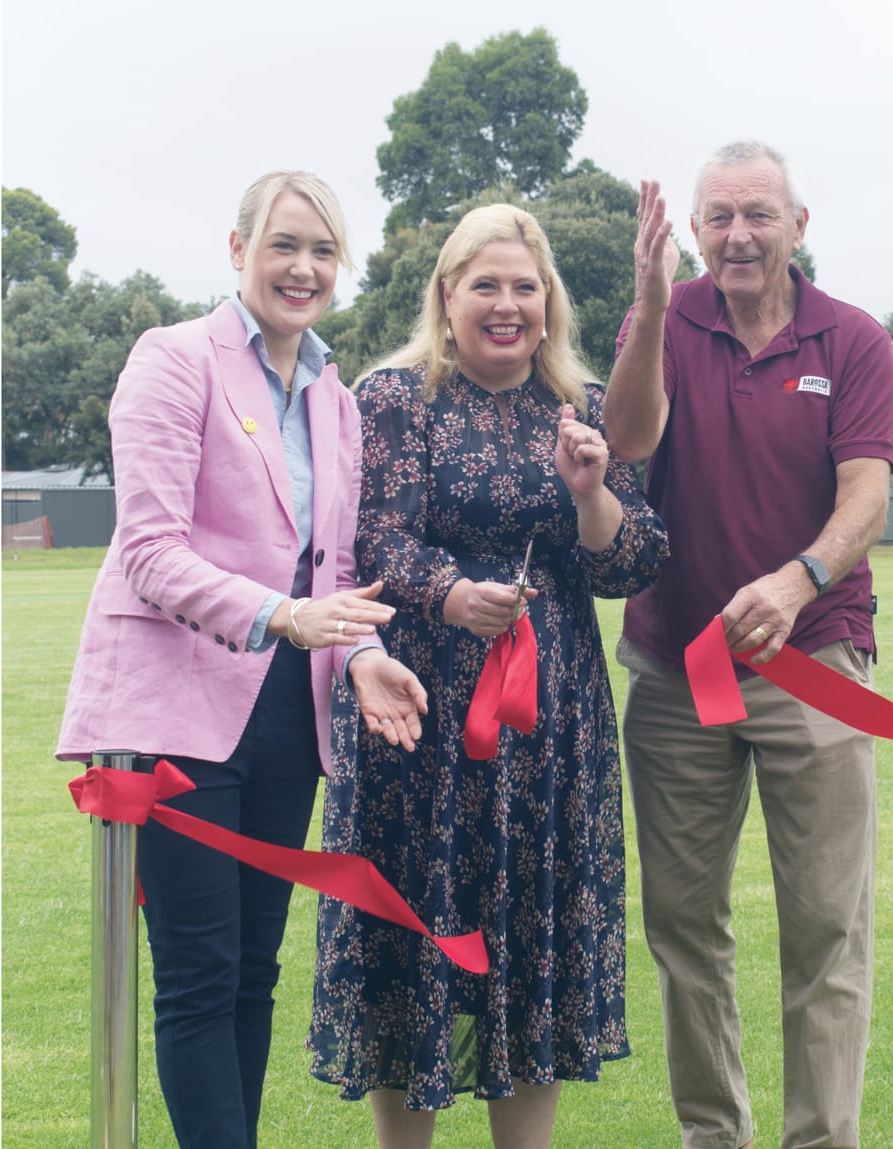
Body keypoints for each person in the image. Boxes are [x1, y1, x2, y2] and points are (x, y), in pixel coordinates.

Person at [56, 169, 429, 1149]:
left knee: (255, 973)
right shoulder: (172, 359)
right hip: (175, 708)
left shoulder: (332, 398)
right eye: (283, 245)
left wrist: (362, 655)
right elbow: (148, 550)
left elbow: (336, 568)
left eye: (321, 250)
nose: (302, 268)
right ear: (237, 251)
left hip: (283, 716)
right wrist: (282, 616)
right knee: (197, 975)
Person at [307, 203, 669, 1149]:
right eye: (486, 286)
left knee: (530, 939)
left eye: (525, 287)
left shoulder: (583, 408)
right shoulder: (395, 398)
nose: (506, 305)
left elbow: (631, 562)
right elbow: (373, 533)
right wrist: (453, 594)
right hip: (416, 712)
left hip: (549, 725)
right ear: (447, 296)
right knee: (413, 934)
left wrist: (591, 494)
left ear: (549, 303)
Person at [603, 141, 893, 1149]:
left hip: (811, 659)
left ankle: (820, 1140)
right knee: (684, 925)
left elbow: (866, 490)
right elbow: (630, 442)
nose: (737, 236)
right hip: (676, 668)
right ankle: (711, 1137)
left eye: (757, 215)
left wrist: (797, 576)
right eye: (717, 217)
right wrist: (649, 304)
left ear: (796, 227)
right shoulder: (664, 322)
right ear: (691, 232)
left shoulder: (851, 340)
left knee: (825, 927)